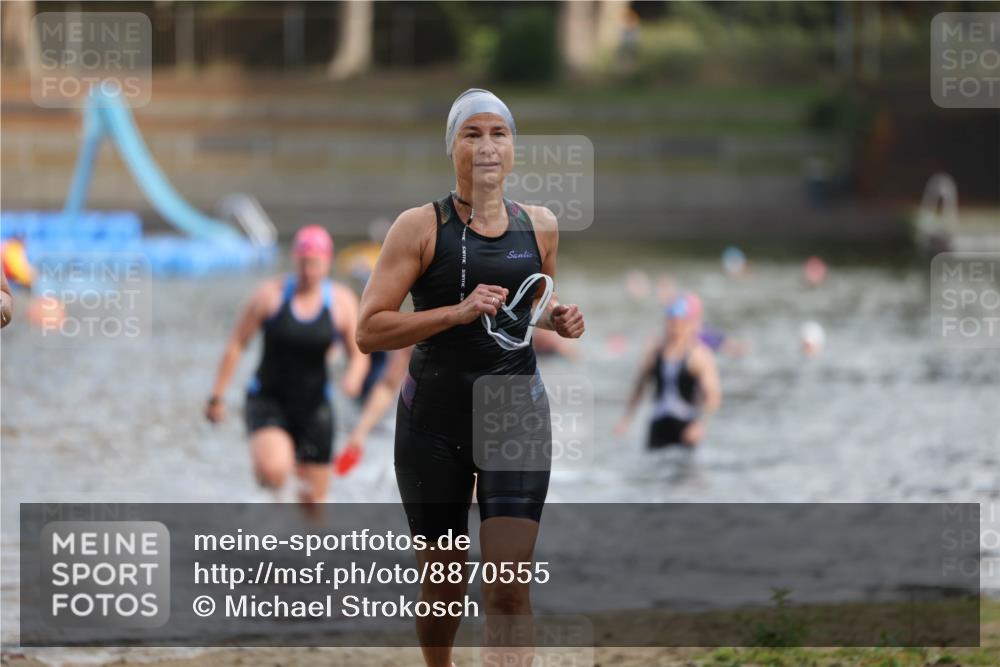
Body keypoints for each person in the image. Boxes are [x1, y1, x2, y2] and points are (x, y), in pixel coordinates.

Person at [356, 88, 585, 667]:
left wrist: (559, 318)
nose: (486, 146)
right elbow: (369, 330)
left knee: (507, 585)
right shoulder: (418, 228)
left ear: (513, 148)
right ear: (452, 148)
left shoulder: (541, 226)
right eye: (472, 134)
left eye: (498, 134)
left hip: (514, 413)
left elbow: (536, 304)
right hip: (432, 423)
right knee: (444, 589)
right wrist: (455, 313)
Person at [205, 225, 368, 507]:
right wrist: (217, 397)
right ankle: (273, 501)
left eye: (315, 263)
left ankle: (296, 546)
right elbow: (236, 345)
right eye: (303, 262)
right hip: (268, 400)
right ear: (295, 260)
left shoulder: (341, 302)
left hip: (315, 406)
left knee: (314, 506)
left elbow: (359, 353)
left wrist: (354, 377)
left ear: (327, 262)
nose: (309, 270)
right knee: (274, 471)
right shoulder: (270, 295)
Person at [616, 293, 721, 448]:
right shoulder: (655, 352)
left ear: (688, 324)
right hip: (658, 423)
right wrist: (626, 419)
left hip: (685, 425)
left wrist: (700, 425)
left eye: (679, 324)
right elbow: (640, 387)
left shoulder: (699, 356)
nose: (674, 329)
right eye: (671, 323)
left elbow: (713, 397)